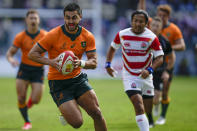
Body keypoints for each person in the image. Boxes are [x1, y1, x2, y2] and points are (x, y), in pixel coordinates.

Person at [28, 3, 107, 131]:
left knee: (97, 113)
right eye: (68, 18)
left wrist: (80, 63)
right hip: (58, 84)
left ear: (80, 17)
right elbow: (32, 54)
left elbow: (94, 63)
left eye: (74, 17)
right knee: (77, 123)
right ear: (64, 18)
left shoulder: (87, 36)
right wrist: (52, 62)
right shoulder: (53, 34)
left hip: (78, 79)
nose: (70, 21)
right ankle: (67, 110)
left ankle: (70, 107)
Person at [105, 10, 164, 131]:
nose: (137, 23)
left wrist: (149, 70)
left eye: (141, 21)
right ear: (131, 21)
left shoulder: (151, 38)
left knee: (147, 109)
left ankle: (150, 117)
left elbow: (160, 58)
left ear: (146, 23)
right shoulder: (122, 34)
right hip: (129, 75)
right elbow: (112, 48)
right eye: (135, 21)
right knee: (138, 105)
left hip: (146, 77)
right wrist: (108, 64)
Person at [138, 0, 186, 125]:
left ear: (168, 17)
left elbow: (181, 46)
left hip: (165, 65)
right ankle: (150, 117)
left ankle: (162, 115)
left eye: (164, 16)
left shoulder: (172, 30)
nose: (161, 17)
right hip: (150, 65)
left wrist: (163, 50)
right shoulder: (150, 25)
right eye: (159, 15)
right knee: (146, 96)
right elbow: (142, 12)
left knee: (164, 93)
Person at [6, 9, 47, 130]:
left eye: (35, 18)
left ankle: (29, 104)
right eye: (31, 18)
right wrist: (11, 60)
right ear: (26, 20)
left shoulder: (45, 36)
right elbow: (10, 53)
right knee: (20, 98)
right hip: (24, 69)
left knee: (36, 100)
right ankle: (27, 122)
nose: (33, 20)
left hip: (38, 70)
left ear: (39, 20)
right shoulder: (20, 36)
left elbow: (54, 50)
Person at [148, 16, 175, 127]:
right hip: (147, 71)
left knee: (155, 99)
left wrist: (167, 71)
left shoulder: (165, 42)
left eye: (157, 26)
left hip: (159, 71)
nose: (155, 27)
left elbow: (172, 57)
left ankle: (157, 106)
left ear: (161, 28)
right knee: (144, 98)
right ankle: (149, 121)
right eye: (153, 25)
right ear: (149, 26)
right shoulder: (144, 38)